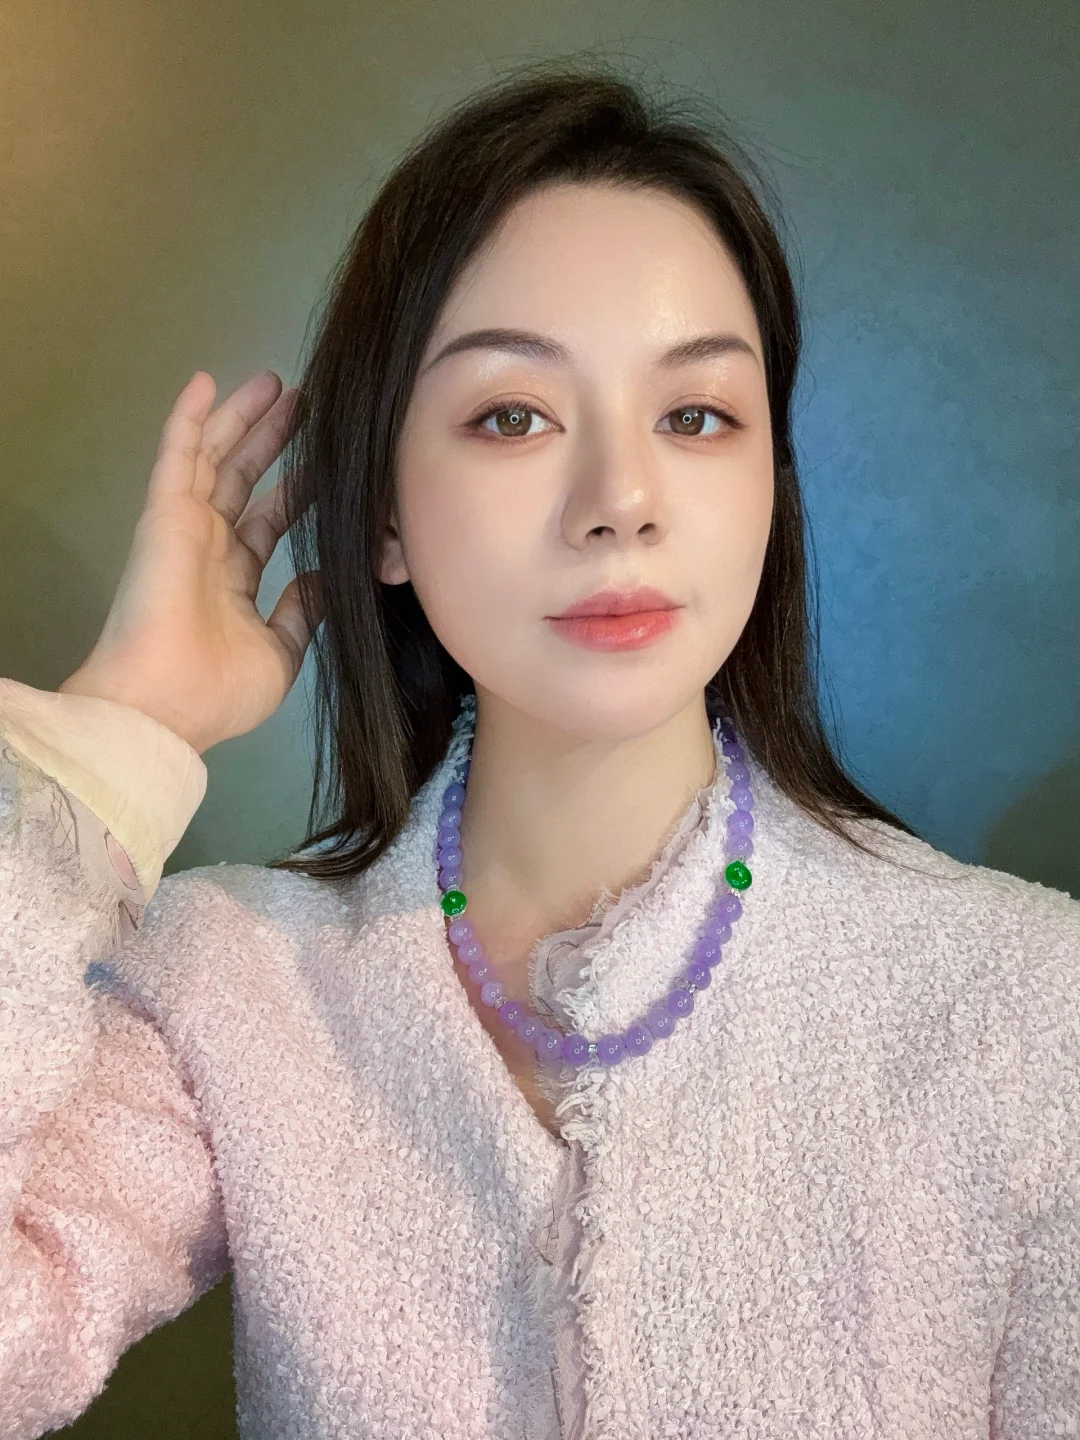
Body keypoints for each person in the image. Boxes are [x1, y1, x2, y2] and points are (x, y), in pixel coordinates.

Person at [0, 62, 1077, 1440]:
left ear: (769, 486)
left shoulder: (1027, 1006)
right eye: (512, 416)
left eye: (696, 415)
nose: (621, 499)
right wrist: (122, 727)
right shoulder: (236, 982)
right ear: (384, 518)